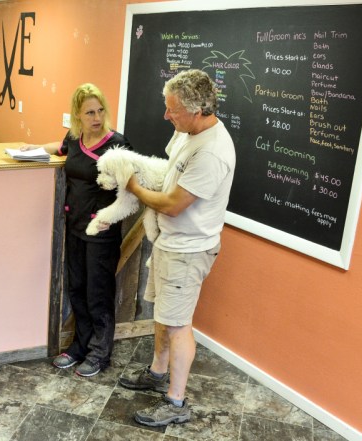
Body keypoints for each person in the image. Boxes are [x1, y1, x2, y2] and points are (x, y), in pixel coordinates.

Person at [111, 69, 235, 426]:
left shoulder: (212, 152)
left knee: (179, 325)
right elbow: (168, 172)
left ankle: (176, 404)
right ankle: (156, 372)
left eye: (172, 110)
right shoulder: (186, 131)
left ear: (197, 110)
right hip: (169, 242)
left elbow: (172, 203)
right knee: (164, 317)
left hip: (189, 250)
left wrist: (133, 186)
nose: (166, 116)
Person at [23, 83, 132, 377]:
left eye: (100, 111)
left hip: (101, 232)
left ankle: (100, 352)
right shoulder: (75, 138)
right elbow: (57, 149)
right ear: (78, 116)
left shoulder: (117, 145)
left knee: (98, 292)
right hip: (75, 227)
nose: (96, 118)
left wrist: (112, 216)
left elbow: (131, 190)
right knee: (78, 289)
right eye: (89, 113)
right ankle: (79, 346)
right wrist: (31, 149)